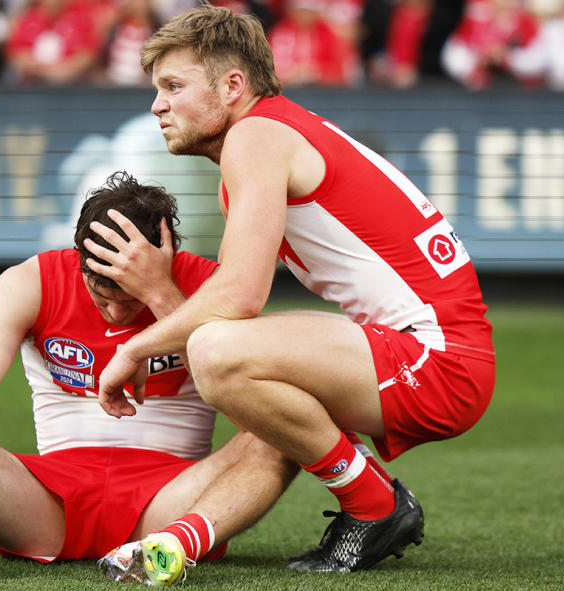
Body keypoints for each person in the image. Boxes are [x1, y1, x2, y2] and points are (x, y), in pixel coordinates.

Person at [95, 4, 495, 578]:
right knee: (231, 352)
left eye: (173, 86)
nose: (157, 104)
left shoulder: (254, 136)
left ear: (234, 85)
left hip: (438, 362)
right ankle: (374, 502)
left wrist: (133, 349)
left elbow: (238, 297)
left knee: (216, 350)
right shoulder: (276, 129)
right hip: (436, 351)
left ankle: (375, 506)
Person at [0, 171, 299, 583]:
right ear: (79, 259)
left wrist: (162, 296)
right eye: (102, 294)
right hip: (45, 503)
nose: (116, 312)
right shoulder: (31, 281)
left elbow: (256, 414)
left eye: (131, 297)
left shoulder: (213, 287)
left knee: (288, 424)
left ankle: (170, 548)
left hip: (170, 500)